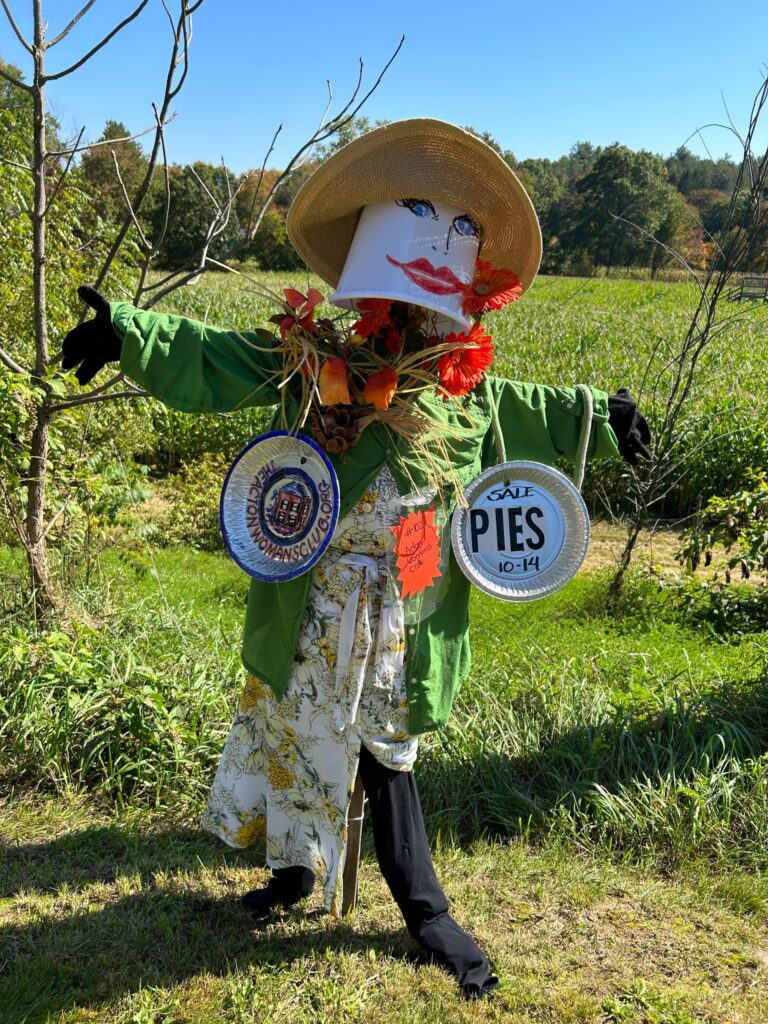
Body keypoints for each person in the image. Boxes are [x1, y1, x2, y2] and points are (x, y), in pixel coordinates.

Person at [62, 119, 651, 1000]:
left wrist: (603, 414)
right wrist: (133, 335)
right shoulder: (315, 363)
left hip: (409, 581)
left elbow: (527, 408)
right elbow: (223, 356)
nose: (418, 312)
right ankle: (296, 873)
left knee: (387, 746)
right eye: (404, 291)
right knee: (299, 725)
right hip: (317, 582)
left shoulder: (464, 386)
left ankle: (423, 907)